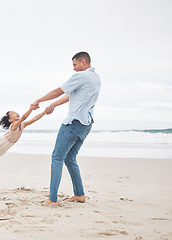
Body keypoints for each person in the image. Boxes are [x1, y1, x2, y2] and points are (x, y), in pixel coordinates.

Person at [31, 52, 101, 206]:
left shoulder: (81, 76)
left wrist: (39, 100)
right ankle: (79, 194)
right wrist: (54, 104)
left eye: (75, 65)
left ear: (83, 62)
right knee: (70, 158)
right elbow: (72, 95)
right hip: (86, 125)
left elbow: (58, 91)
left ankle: (52, 199)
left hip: (73, 123)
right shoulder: (95, 78)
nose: (74, 69)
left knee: (57, 157)